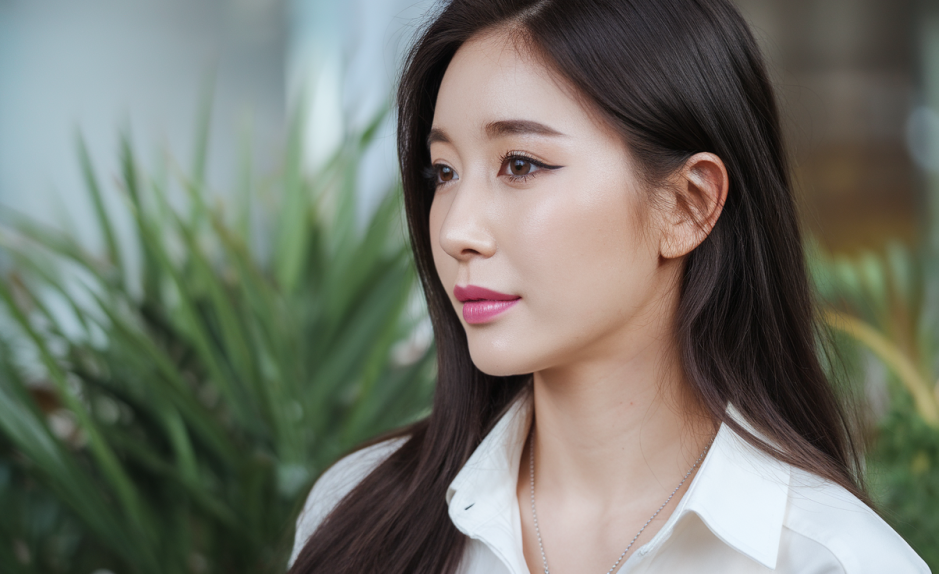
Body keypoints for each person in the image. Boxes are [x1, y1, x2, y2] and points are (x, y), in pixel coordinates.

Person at [287, 0, 930, 572]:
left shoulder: (832, 559)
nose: (456, 230)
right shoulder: (357, 515)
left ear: (687, 205)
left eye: (520, 165)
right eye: (443, 172)